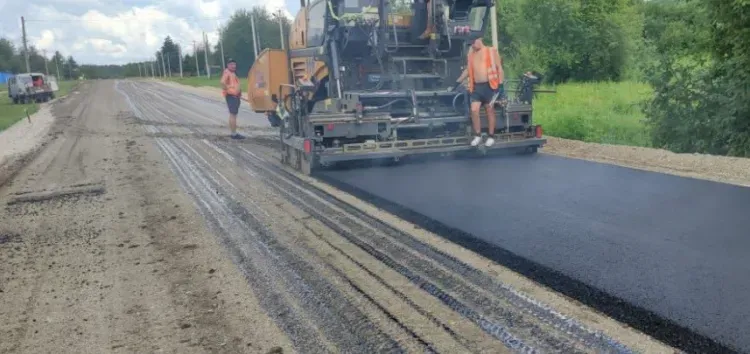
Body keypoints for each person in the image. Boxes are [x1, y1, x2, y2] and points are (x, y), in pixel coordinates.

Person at [455, 38, 504, 147]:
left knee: (489, 110)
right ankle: (478, 135)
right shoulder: (471, 55)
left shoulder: (491, 51)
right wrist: (457, 81)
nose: (472, 46)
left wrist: (500, 85)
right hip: (477, 87)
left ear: (479, 40)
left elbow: (499, 68)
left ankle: (491, 136)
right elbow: (468, 70)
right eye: (470, 44)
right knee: (474, 110)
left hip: (490, 86)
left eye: (473, 43)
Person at [221, 58, 244, 139]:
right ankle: (234, 134)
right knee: (233, 115)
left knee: (234, 114)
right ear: (228, 65)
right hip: (232, 97)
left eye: (234, 64)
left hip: (235, 96)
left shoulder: (232, 73)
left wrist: (237, 92)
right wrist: (230, 91)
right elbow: (222, 82)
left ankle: (234, 133)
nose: (233, 66)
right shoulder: (227, 72)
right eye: (231, 64)